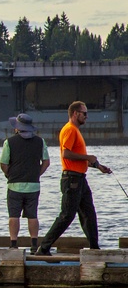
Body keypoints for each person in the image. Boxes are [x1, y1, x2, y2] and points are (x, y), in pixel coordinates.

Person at [36, 101, 111, 255]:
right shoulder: (70, 130)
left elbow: (76, 158)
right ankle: (43, 248)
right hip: (72, 180)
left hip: (80, 179)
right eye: (84, 113)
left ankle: (94, 249)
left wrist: (97, 166)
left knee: (89, 214)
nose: (87, 117)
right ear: (76, 114)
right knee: (67, 215)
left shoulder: (76, 131)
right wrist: (88, 156)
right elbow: (66, 154)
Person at [0, 113, 50, 250]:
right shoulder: (40, 141)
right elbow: (46, 162)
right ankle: (34, 245)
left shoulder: (9, 142)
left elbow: (3, 163)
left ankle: (13, 245)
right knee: (32, 215)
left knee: (13, 216)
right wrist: (37, 174)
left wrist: (9, 174)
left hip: (14, 185)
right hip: (33, 185)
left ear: (17, 127)